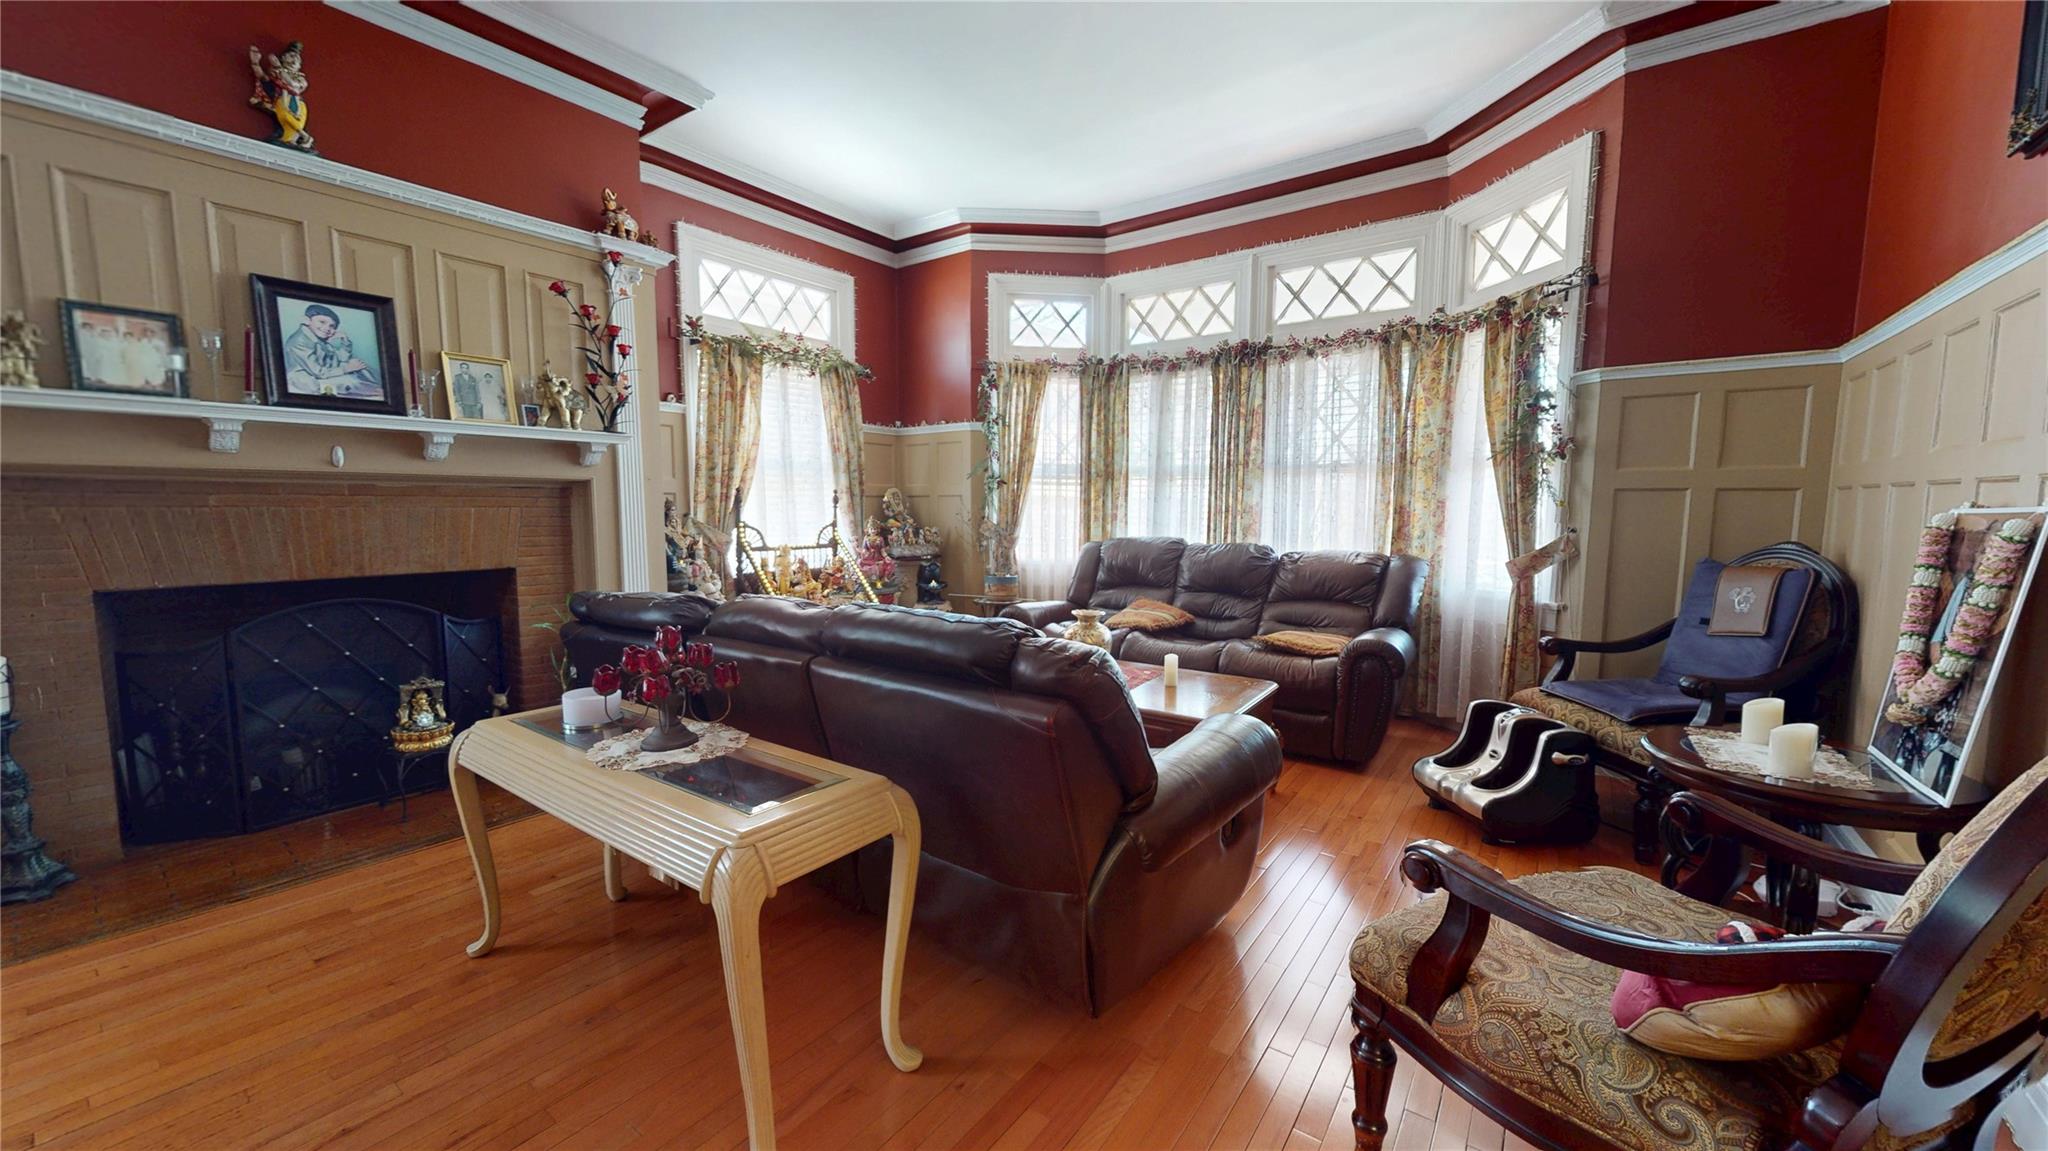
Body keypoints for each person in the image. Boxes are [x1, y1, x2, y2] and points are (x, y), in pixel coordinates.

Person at [281, 303, 378, 396]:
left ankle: (379, 388)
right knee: (349, 381)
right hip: (308, 378)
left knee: (361, 366)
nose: (327, 328)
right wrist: (346, 368)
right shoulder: (300, 341)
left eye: (332, 326)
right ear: (306, 320)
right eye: (322, 322)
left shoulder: (319, 339)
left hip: (324, 372)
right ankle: (374, 391)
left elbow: (341, 358)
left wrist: (345, 341)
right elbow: (318, 372)